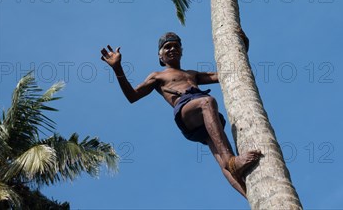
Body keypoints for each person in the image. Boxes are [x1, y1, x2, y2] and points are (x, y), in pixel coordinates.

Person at [100, 32, 262, 197]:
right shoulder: (157, 76)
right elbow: (132, 96)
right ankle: (231, 160)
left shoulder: (191, 74)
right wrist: (117, 68)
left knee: (220, 160)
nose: (172, 49)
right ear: (160, 56)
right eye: (167, 47)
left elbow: (224, 75)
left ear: (181, 51)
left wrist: (242, 48)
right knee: (207, 102)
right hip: (186, 109)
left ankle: (252, 197)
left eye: (176, 46)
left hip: (206, 118)